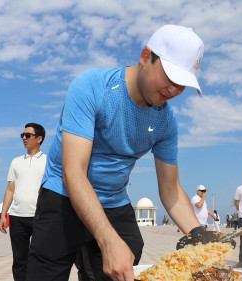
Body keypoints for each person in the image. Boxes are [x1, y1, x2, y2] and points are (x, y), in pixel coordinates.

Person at [26, 25, 208, 281]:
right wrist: (108, 240)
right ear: (146, 57)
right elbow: (73, 172)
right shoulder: (91, 87)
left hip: (113, 200)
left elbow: (170, 188)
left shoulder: (167, 122)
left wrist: (200, 237)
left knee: (127, 258)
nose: (174, 90)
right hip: (64, 193)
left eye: (183, 84)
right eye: (171, 76)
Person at [0, 123, 46, 281]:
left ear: (39, 139)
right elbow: (10, 189)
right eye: (22, 135)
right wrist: (4, 214)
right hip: (17, 217)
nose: (24, 138)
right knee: (19, 261)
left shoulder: (48, 161)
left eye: (28, 135)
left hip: (40, 217)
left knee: (40, 259)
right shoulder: (15, 162)